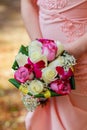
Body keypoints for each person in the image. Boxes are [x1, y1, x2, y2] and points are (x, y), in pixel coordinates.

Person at [21, 0, 87, 130]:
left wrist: (75, 49)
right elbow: (28, 2)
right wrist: (39, 46)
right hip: (46, 66)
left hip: (82, 65)